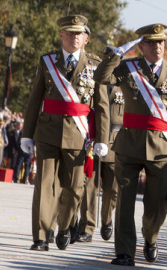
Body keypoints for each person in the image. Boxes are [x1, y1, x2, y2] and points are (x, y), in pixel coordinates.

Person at [93, 23, 167, 266]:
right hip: (129, 144)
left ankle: (150, 237)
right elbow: (101, 77)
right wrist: (116, 55)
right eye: (152, 42)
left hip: (162, 148)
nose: (158, 47)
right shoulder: (127, 68)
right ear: (141, 46)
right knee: (124, 202)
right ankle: (125, 252)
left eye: (161, 42)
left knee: (157, 204)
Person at [21, 14, 110, 251]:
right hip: (48, 132)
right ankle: (40, 237)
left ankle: (66, 225)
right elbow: (34, 99)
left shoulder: (95, 65)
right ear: (61, 35)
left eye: (78, 33)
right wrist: (27, 134)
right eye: (69, 33)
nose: (74, 37)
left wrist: (102, 138)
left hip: (79, 137)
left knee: (74, 188)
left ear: (86, 38)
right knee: (45, 185)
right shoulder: (47, 61)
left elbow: (101, 105)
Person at [77, 46, 123, 243]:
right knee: (89, 184)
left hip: (116, 142)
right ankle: (87, 227)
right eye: (106, 59)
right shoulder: (93, 78)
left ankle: (107, 219)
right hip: (93, 136)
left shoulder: (125, 83)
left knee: (112, 188)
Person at [12, 119, 31, 184]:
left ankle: (16, 178)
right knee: (27, 166)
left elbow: (18, 141)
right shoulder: (32, 132)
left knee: (19, 164)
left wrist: (18, 149)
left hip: (22, 150)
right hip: (29, 151)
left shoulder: (22, 132)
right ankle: (25, 179)